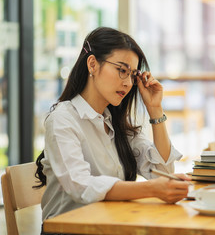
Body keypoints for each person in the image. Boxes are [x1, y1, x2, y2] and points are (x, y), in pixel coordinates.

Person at [34, 27, 191, 224]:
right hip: (68, 229)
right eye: (122, 70)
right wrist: (151, 189)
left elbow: (163, 173)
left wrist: (155, 109)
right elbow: (80, 186)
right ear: (92, 64)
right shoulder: (63, 119)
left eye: (133, 75)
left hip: (111, 224)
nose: (127, 83)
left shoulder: (116, 122)